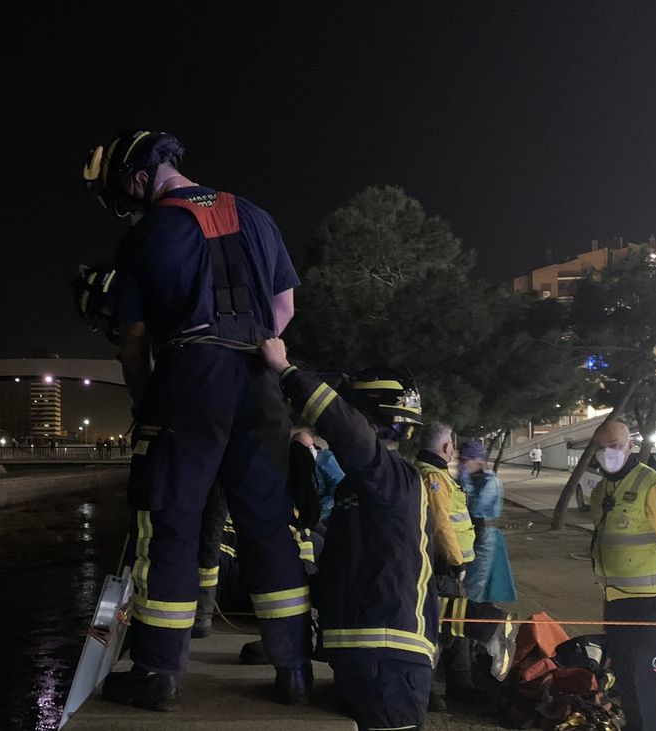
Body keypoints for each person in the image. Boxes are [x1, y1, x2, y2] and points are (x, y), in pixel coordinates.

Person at [83, 130, 311, 711]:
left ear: (138, 176)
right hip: (261, 378)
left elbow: (133, 340)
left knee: (174, 522)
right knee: (268, 524)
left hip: (192, 377)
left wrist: (145, 401)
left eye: (123, 190)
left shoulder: (146, 235)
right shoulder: (256, 214)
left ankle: (158, 672)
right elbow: (283, 308)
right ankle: (294, 669)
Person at [260, 340, 437, 731]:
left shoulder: (394, 478)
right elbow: (348, 568)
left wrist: (287, 372)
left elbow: (348, 432)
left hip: (392, 665)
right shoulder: (355, 491)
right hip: (361, 660)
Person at [589, 420, 656, 731]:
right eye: (602, 448)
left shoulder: (655, 487)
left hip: (649, 602)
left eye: (615, 446)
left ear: (630, 447)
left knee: (649, 680)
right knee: (627, 677)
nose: (608, 454)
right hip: (616, 599)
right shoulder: (602, 491)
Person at [413, 422, 477, 704]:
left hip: (445, 563)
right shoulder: (433, 478)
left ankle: (459, 685)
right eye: (451, 442)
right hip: (443, 564)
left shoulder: (429, 473)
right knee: (440, 628)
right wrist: (457, 562)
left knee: (455, 624)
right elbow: (441, 524)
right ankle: (429, 691)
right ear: (445, 447)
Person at [457, 441, 517, 604]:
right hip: (471, 533)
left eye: (465, 461)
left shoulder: (490, 482)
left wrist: (465, 483)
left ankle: (471, 616)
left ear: (478, 461)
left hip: (484, 534)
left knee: (476, 580)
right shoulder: (474, 479)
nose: (462, 465)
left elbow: (475, 507)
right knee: (468, 578)